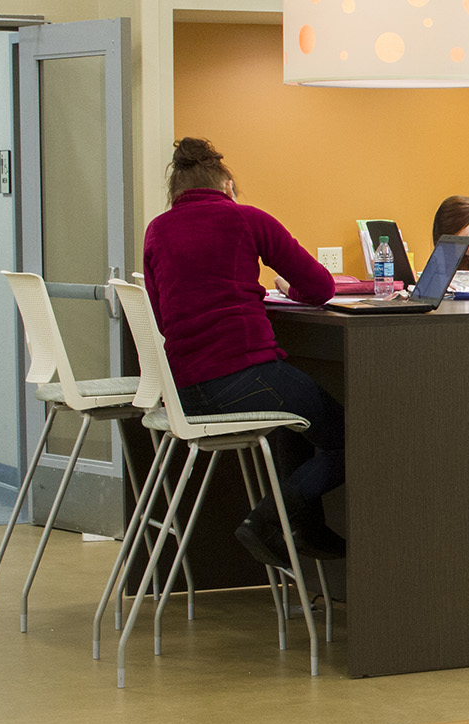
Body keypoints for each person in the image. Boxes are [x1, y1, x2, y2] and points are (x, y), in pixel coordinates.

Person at [142, 138, 347, 568]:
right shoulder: (245, 219)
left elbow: (162, 316)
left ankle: (306, 531)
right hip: (243, 374)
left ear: (176, 192)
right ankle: (265, 522)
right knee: (352, 439)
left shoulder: (157, 230)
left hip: (183, 390)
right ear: (228, 186)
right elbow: (321, 288)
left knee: (292, 422)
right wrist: (287, 290)